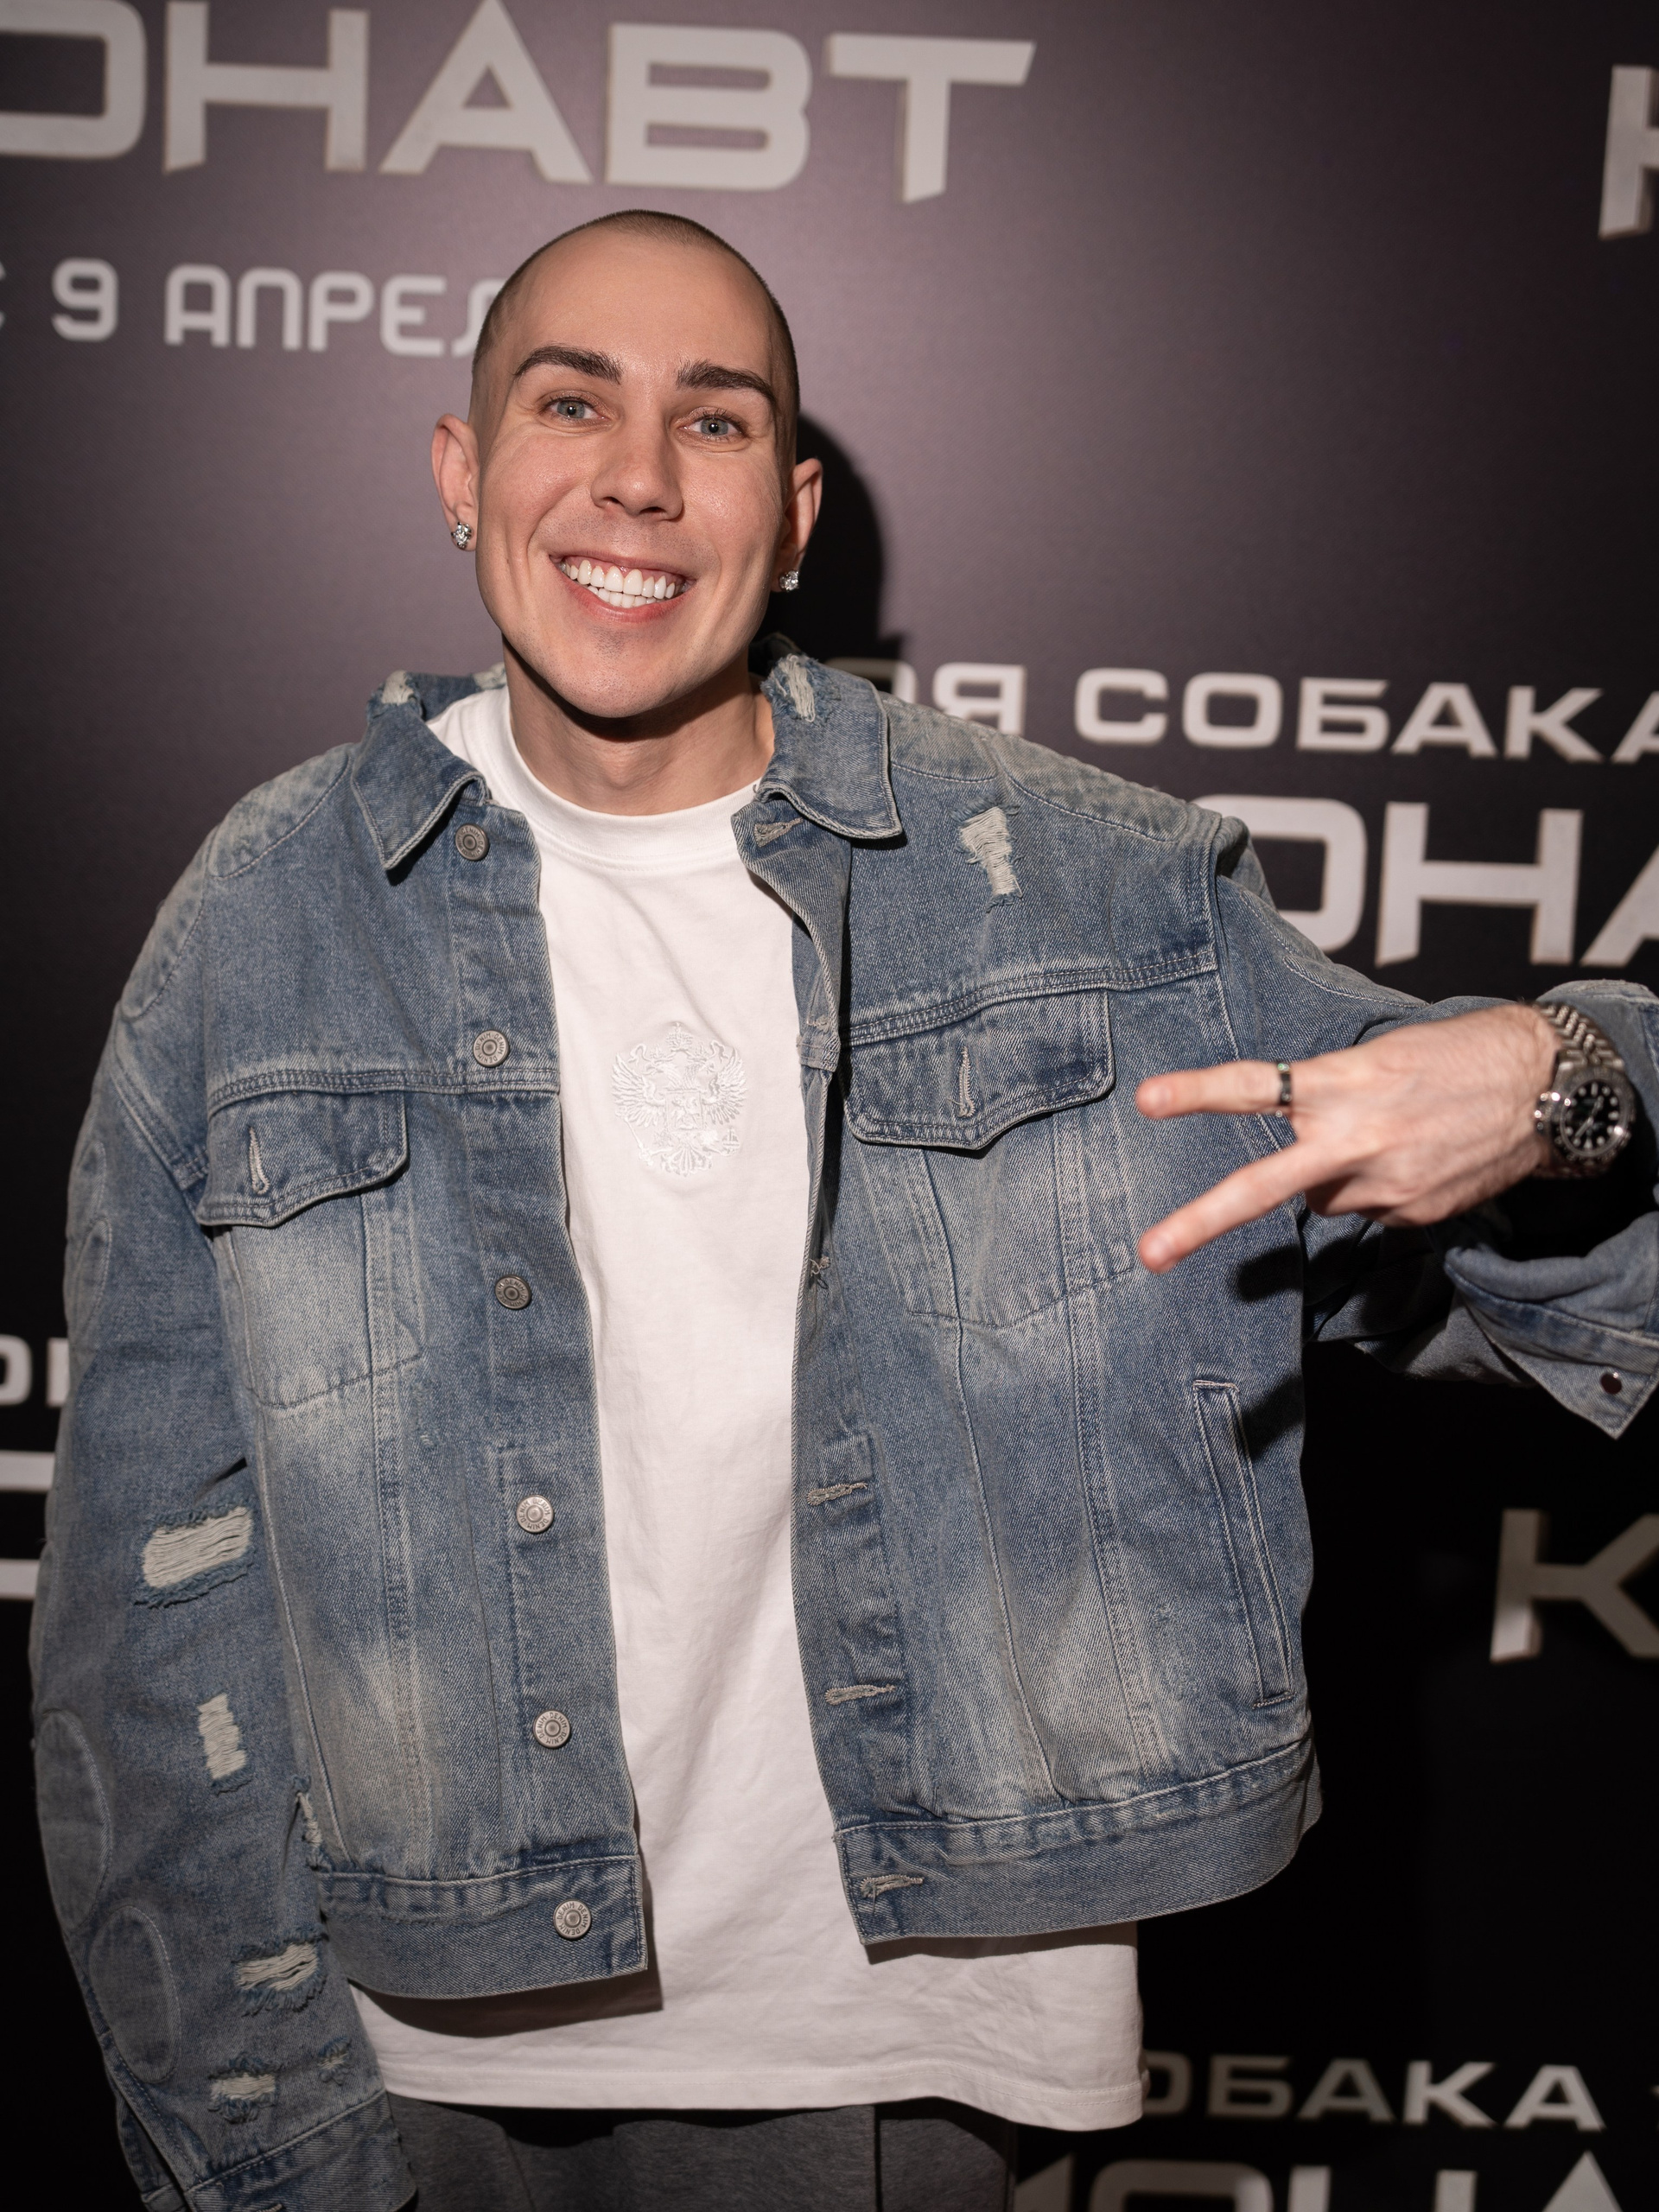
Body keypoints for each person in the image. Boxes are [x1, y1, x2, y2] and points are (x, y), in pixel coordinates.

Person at [33, 211, 1654, 2212]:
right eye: (570, 403)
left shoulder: (1076, 889)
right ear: (462, 469)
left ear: (792, 515)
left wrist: (1570, 1079)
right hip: (415, 2047)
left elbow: (1553, 1268)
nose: (638, 476)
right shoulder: (272, 919)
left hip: (898, 2049)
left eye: (713, 420)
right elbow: (145, 1612)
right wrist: (256, 2136)